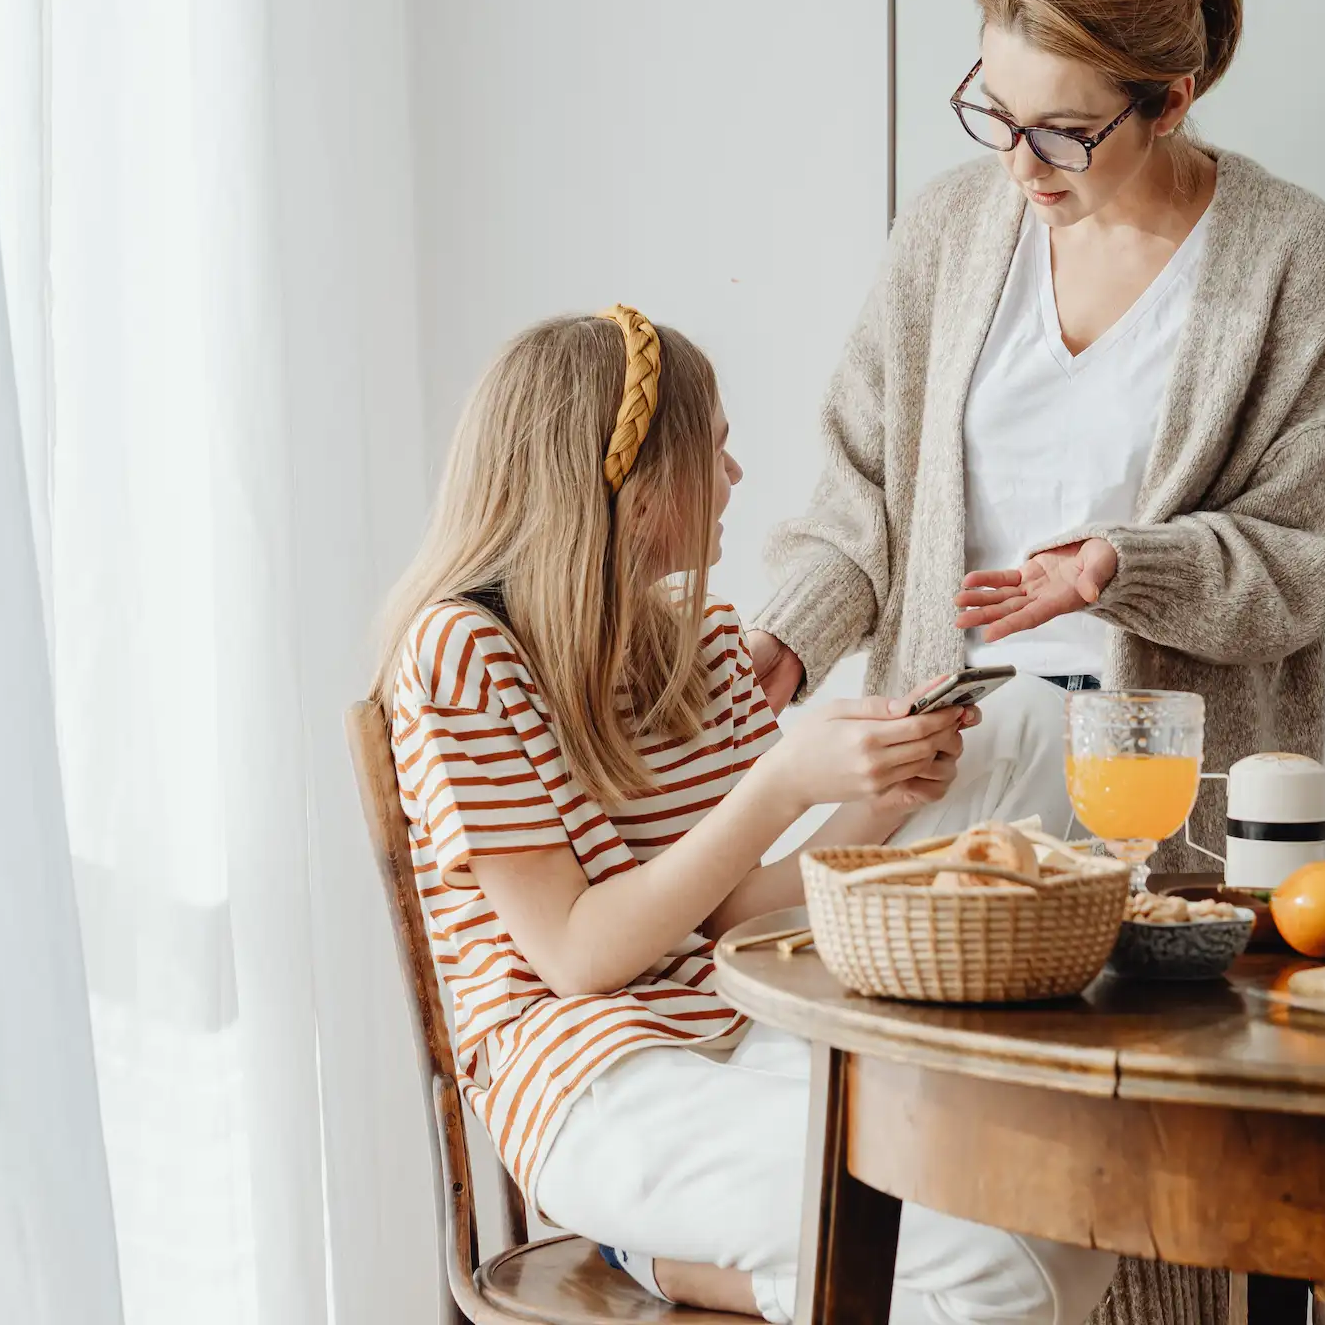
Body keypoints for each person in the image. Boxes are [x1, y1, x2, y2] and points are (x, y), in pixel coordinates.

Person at [371, 307, 1114, 1323]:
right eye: (712, 450)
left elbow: (735, 920)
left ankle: (689, 1265)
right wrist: (787, 783)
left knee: (1026, 721)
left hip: (753, 1023)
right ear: (634, 488)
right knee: (1006, 1258)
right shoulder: (462, 653)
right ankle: (698, 1257)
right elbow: (582, 957)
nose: (736, 477)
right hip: (600, 1080)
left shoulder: (700, 640)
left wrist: (883, 793)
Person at [749, 0, 1325, 858]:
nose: (1019, 163)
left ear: (1169, 101)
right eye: (997, 114)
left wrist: (1122, 568)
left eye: (1064, 130)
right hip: (940, 765)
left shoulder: (1294, 257)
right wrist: (788, 642)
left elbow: (1306, 551)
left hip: (1159, 794)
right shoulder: (946, 233)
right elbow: (864, 495)